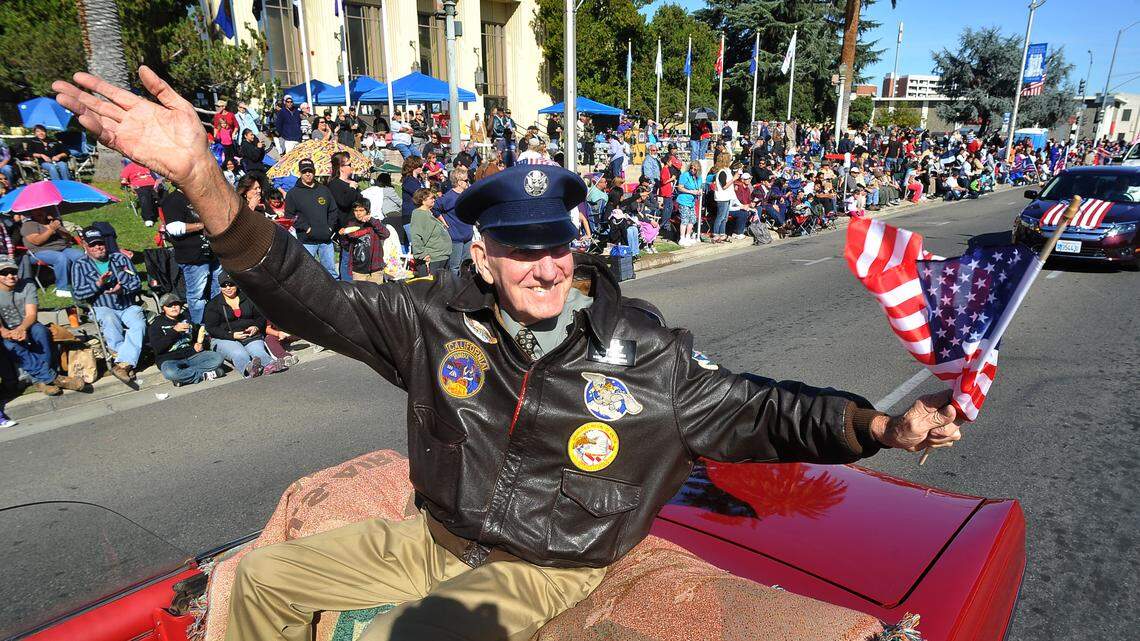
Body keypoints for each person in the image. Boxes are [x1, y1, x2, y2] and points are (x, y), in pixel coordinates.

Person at [55, 68, 965, 641]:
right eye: (522, 247)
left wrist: (879, 422)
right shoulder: (433, 324)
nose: (547, 263)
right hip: (432, 538)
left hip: (548, 564)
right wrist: (203, 180)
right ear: (483, 258)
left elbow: (764, 411)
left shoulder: (643, 350)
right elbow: (311, 296)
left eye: (558, 243)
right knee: (254, 580)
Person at [0, 257, 88, 396]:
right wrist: (8, 333)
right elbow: (2, 330)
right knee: (10, 345)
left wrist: (22, 329)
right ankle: (53, 378)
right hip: (5, 332)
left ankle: (41, 381)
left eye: (13, 272)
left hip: (27, 325)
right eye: (4, 273)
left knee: (41, 331)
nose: (10, 276)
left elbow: (31, 315)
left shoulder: (27, 285)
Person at [69, 226, 145, 386]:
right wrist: (98, 284)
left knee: (138, 321)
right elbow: (78, 295)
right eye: (93, 245)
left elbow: (136, 282)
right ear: (85, 246)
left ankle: (122, 365)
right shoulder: (79, 265)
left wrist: (122, 289)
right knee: (109, 318)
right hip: (100, 306)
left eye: (100, 243)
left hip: (126, 304)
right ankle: (125, 364)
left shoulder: (120, 259)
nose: (98, 247)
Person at [161, 187, 222, 324]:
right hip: (193, 257)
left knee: (218, 289)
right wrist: (202, 225)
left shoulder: (199, 195)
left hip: (213, 252)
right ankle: (199, 327)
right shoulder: (173, 200)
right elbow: (173, 228)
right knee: (197, 295)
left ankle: (217, 322)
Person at [203, 274, 283, 377]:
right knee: (239, 353)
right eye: (224, 285)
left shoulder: (248, 298)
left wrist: (256, 327)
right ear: (220, 287)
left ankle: (270, 365)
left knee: (258, 351)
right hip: (224, 337)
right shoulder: (213, 304)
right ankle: (249, 370)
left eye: (231, 284)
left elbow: (261, 317)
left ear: (236, 284)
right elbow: (211, 328)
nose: (228, 288)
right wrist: (232, 336)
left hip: (249, 335)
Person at [148, 292, 224, 386]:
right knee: (170, 372)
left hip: (191, 355)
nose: (174, 307)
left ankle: (183, 378)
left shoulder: (186, 319)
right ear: (163, 308)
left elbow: (200, 336)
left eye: (176, 304)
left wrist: (201, 344)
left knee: (217, 358)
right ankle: (204, 375)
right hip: (169, 359)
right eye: (170, 305)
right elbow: (158, 348)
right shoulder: (156, 325)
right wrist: (174, 331)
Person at [285, 158, 339, 276]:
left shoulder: (324, 190)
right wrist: (306, 228)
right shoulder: (293, 193)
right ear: (300, 173)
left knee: (331, 273)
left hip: (326, 240)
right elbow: (289, 215)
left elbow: (333, 210)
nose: (308, 174)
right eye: (305, 172)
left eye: (310, 171)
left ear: (314, 171)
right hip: (306, 240)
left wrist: (330, 227)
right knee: (306, 274)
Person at [19, 208, 84, 297]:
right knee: (60, 258)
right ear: (31, 212)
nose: (39, 212)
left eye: (42, 210)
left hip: (62, 248)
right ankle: (62, 288)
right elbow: (37, 241)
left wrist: (59, 229)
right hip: (39, 252)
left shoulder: (53, 222)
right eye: (36, 211)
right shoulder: (29, 225)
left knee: (80, 255)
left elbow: (68, 238)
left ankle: (82, 281)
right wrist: (50, 230)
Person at [327, 152, 364, 283]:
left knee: (357, 256)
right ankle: (346, 284)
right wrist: (352, 189)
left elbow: (361, 202)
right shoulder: (334, 184)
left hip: (358, 223)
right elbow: (343, 202)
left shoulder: (352, 183)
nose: (351, 167)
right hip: (345, 225)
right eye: (349, 164)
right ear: (341, 167)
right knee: (347, 257)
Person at [337, 200, 390, 283]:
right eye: (356, 210)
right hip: (358, 270)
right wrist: (343, 235)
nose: (358, 213)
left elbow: (386, 234)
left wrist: (372, 220)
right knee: (360, 294)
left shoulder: (374, 223)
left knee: (376, 293)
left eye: (361, 210)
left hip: (375, 269)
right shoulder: (351, 224)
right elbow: (346, 246)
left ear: (368, 211)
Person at [433, 166, 472, 274]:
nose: (468, 183)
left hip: (468, 235)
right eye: (466, 180)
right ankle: (454, 289)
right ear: (459, 182)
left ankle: (465, 286)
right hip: (456, 237)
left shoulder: (467, 194)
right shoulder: (449, 197)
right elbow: (435, 208)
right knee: (455, 266)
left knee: (467, 265)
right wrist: (443, 222)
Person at [409, 188, 450, 275]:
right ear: (423, 200)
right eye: (431, 198)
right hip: (433, 258)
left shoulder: (428, 213)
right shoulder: (419, 214)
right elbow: (416, 236)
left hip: (441, 256)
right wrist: (422, 255)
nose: (434, 199)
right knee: (433, 286)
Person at [119, 159, 159, 226]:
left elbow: (158, 176)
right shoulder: (129, 167)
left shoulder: (149, 165)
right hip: (139, 186)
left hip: (155, 184)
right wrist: (125, 182)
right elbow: (124, 179)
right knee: (145, 195)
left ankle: (169, 215)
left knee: (164, 193)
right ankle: (148, 218)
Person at [710, 153, 736, 243]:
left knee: (725, 218)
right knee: (720, 217)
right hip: (722, 198)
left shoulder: (726, 170)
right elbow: (724, 186)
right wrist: (734, 179)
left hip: (727, 197)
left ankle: (722, 234)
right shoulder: (721, 172)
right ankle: (715, 234)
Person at [675, 160, 702, 246]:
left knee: (693, 219)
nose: (692, 170)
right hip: (684, 200)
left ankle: (688, 236)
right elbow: (680, 188)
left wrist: (699, 191)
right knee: (685, 219)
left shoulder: (698, 178)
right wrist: (691, 192)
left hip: (692, 202)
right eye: (691, 168)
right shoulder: (685, 175)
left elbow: (699, 187)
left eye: (695, 169)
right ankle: (682, 238)